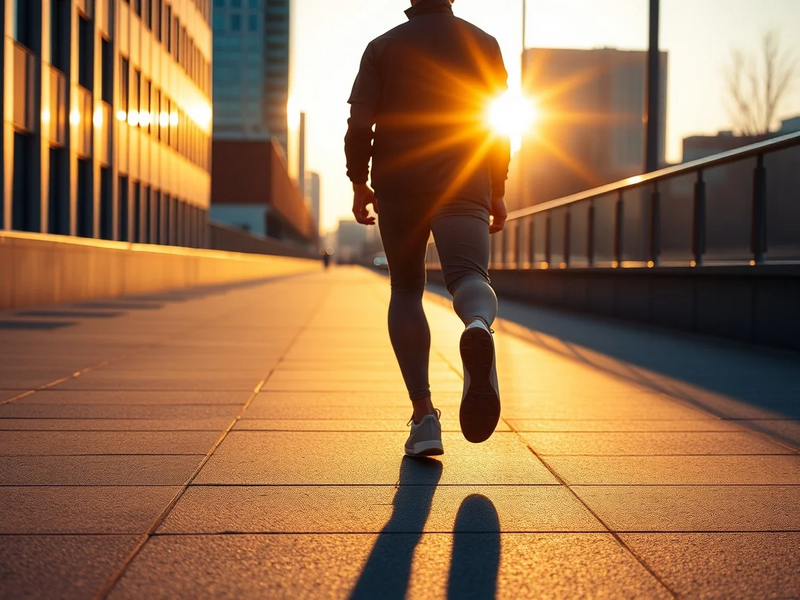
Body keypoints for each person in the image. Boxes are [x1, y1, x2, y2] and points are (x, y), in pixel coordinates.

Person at [345, 0, 511, 456]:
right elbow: (496, 123)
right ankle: (477, 323)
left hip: (400, 183)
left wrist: (359, 181)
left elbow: (360, 124)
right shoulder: (484, 44)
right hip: (466, 177)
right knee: (470, 278)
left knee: (405, 290)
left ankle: (424, 418)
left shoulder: (382, 47)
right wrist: (497, 185)